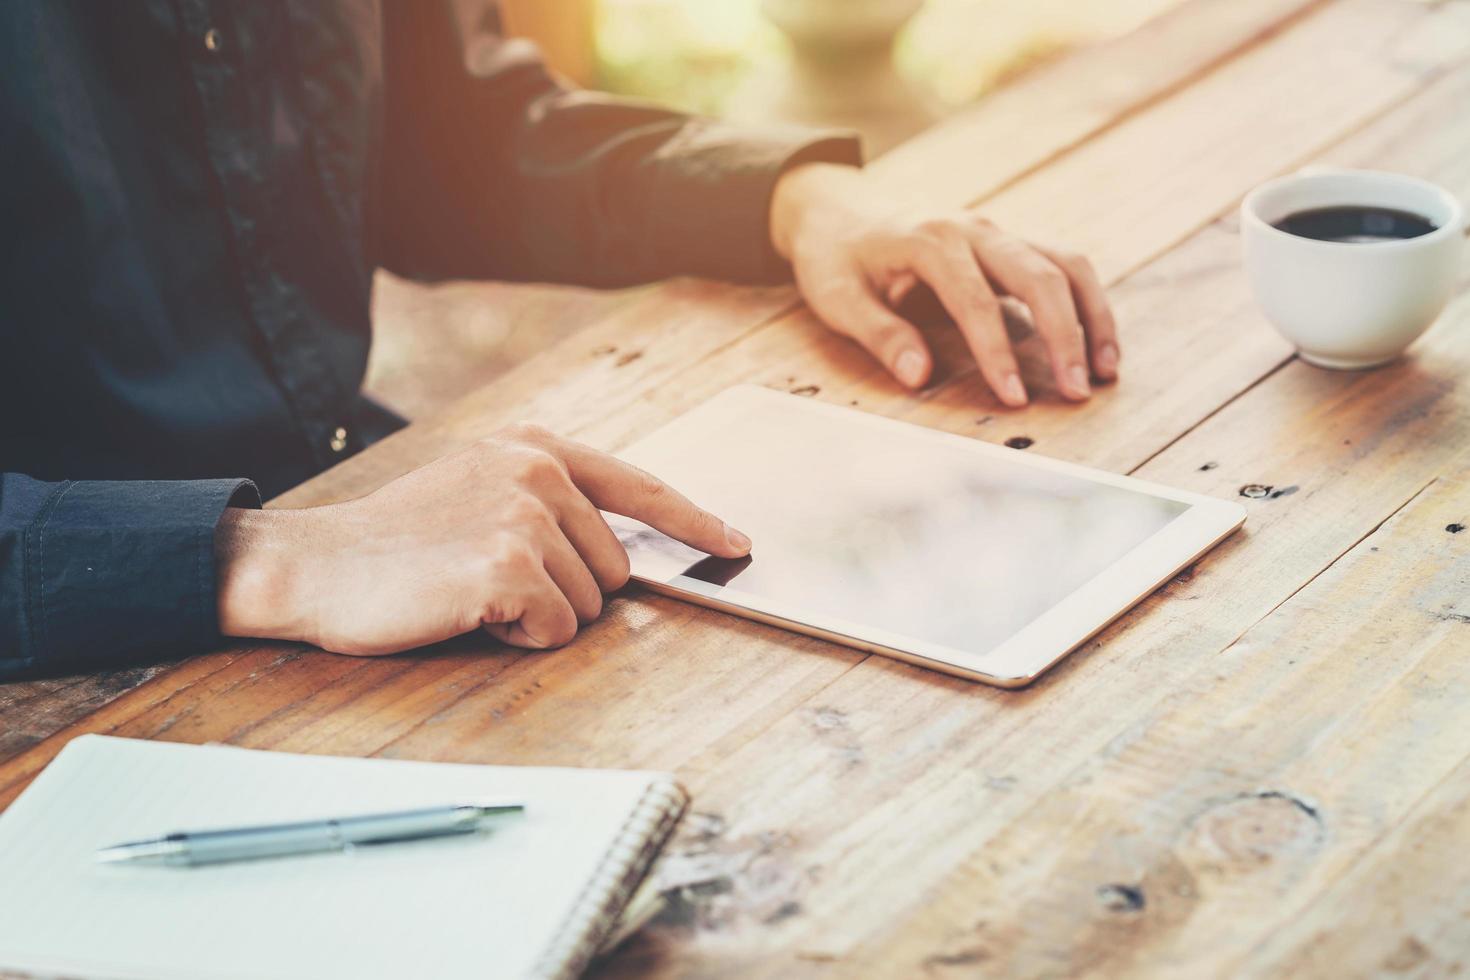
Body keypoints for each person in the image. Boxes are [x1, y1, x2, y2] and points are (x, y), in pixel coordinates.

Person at [0, 2, 1118, 680]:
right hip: (77, 662)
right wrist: (262, 555)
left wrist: (794, 205)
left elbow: (441, 143)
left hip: (367, 540)